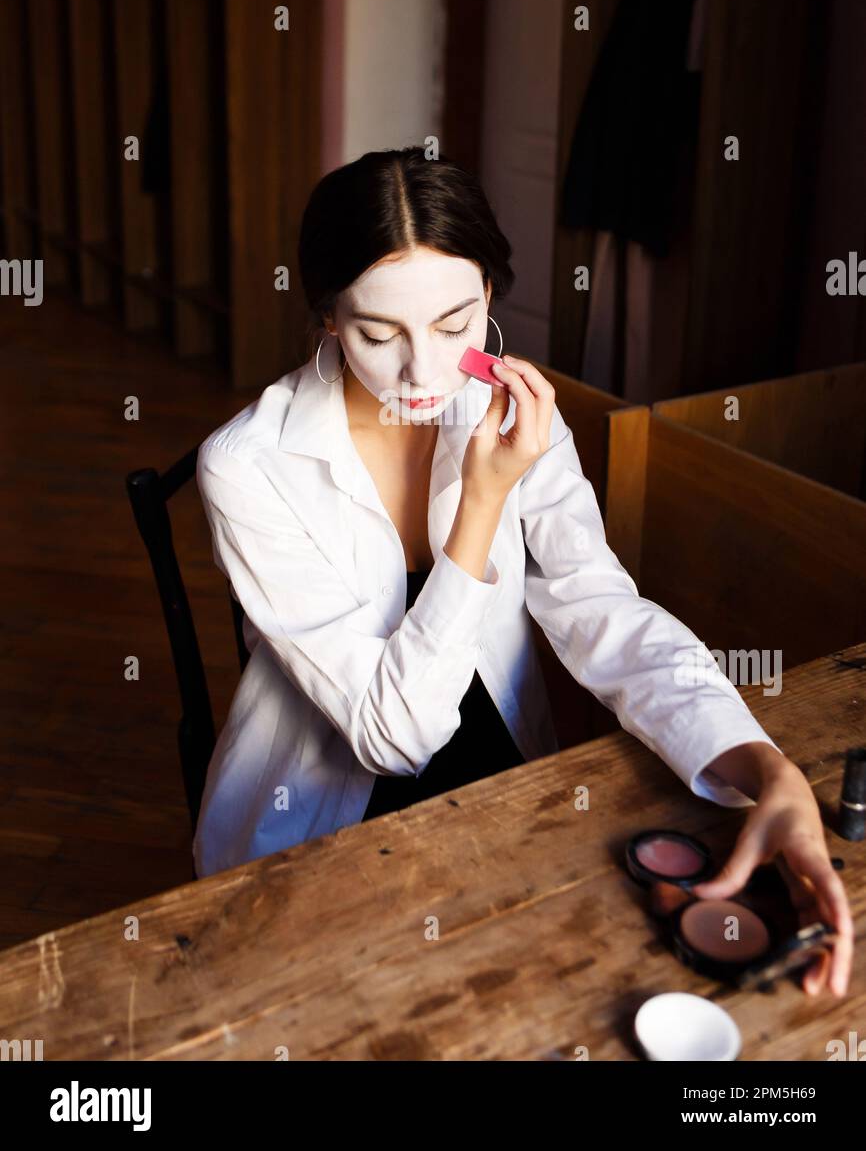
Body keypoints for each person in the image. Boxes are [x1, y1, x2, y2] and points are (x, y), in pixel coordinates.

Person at [192, 146, 851, 997]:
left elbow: (597, 604)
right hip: (325, 805)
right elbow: (393, 737)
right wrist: (481, 501)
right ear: (326, 316)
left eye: (455, 324)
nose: (423, 372)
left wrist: (768, 766)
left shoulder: (509, 412)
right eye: (377, 332)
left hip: (497, 760)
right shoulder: (248, 466)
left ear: (491, 297)